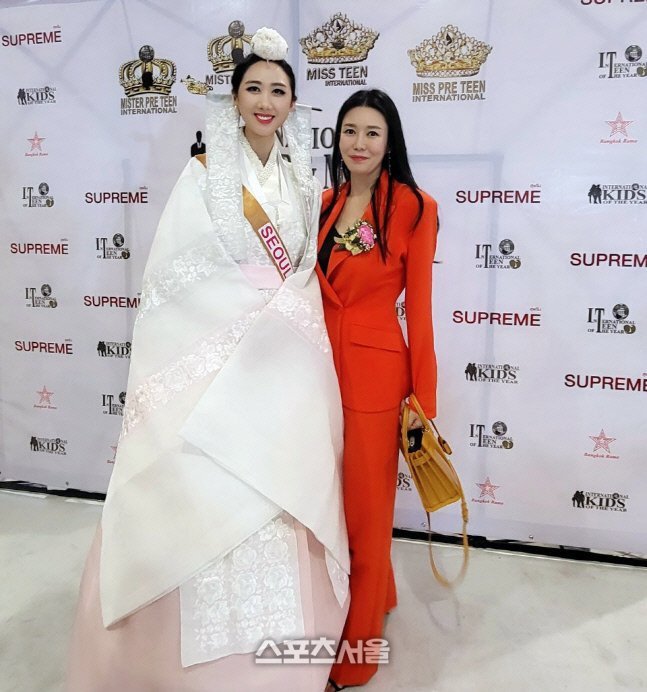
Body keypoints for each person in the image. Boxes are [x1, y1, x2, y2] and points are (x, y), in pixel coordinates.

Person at [67, 28, 349, 692]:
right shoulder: (203, 176)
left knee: (277, 490)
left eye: (277, 91)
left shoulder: (300, 178)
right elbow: (176, 274)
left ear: (292, 103)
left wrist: (281, 322)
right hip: (218, 358)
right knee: (203, 483)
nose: (265, 102)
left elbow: (302, 271)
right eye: (254, 88)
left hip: (280, 368)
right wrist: (247, 320)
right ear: (234, 98)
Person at [317, 89, 438, 690]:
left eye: (372, 132)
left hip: (374, 379)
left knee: (366, 520)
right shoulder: (325, 203)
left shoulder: (414, 206)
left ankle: (356, 656)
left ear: (390, 142)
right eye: (349, 131)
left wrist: (423, 402)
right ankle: (381, 594)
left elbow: (422, 308)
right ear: (336, 138)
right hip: (316, 374)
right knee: (335, 511)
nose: (359, 143)